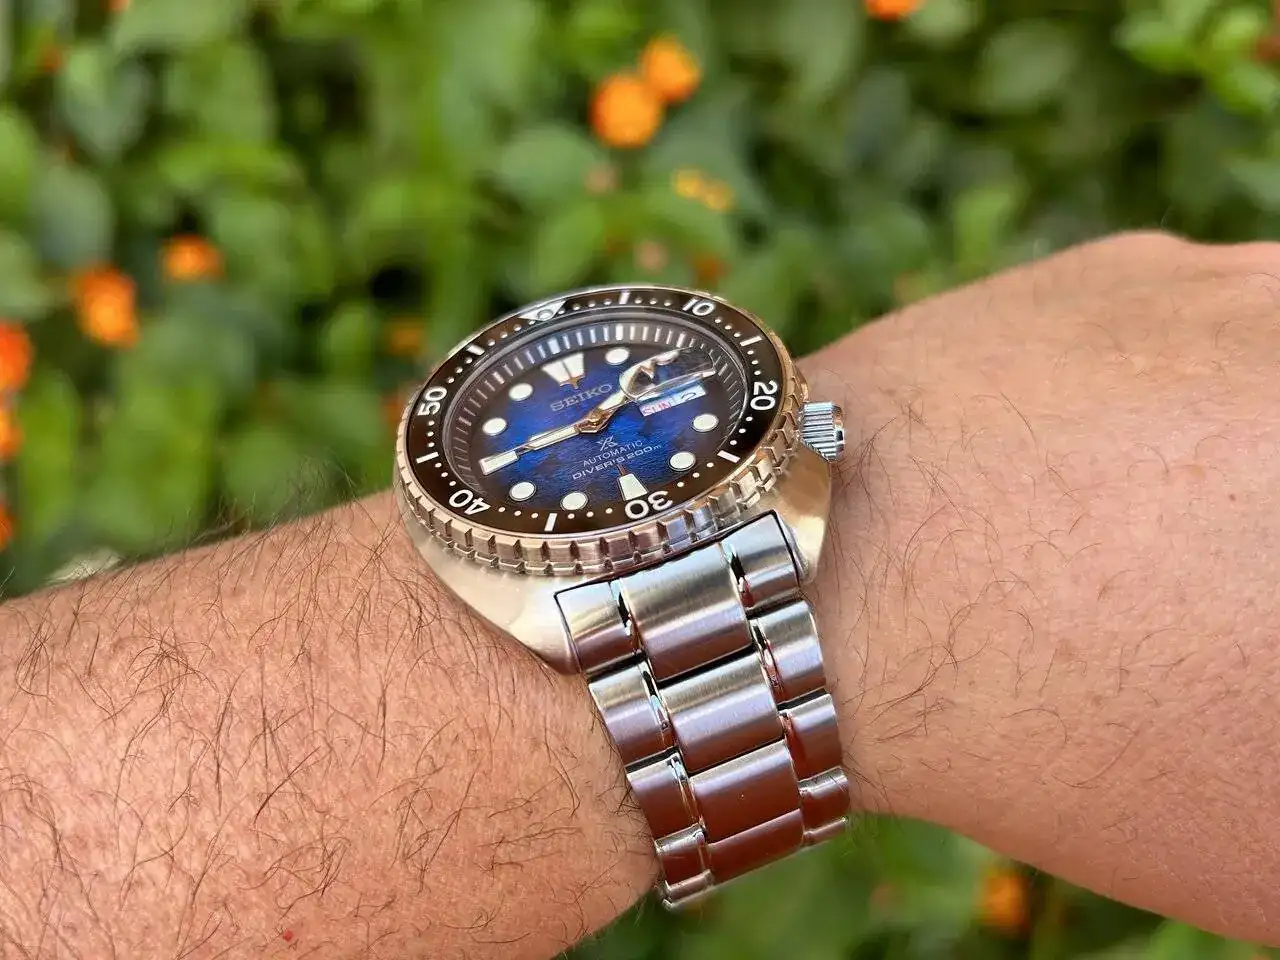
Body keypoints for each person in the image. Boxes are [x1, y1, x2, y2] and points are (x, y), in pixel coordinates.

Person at [2, 231, 1277, 958]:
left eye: (611, 403)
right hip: (563, 556)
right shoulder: (499, 524)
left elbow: (789, 427)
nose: (596, 415)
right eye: (584, 413)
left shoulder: (775, 438)